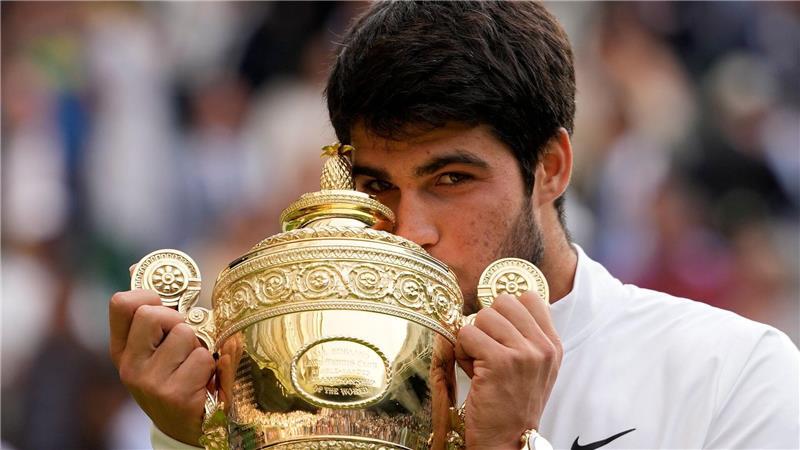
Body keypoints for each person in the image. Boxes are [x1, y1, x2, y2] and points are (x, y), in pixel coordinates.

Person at [109, 2, 799, 449]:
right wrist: (195, 439)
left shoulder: (732, 372)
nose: (409, 230)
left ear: (552, 167)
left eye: (451, 180)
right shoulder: (293, 379)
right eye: (377, 186)